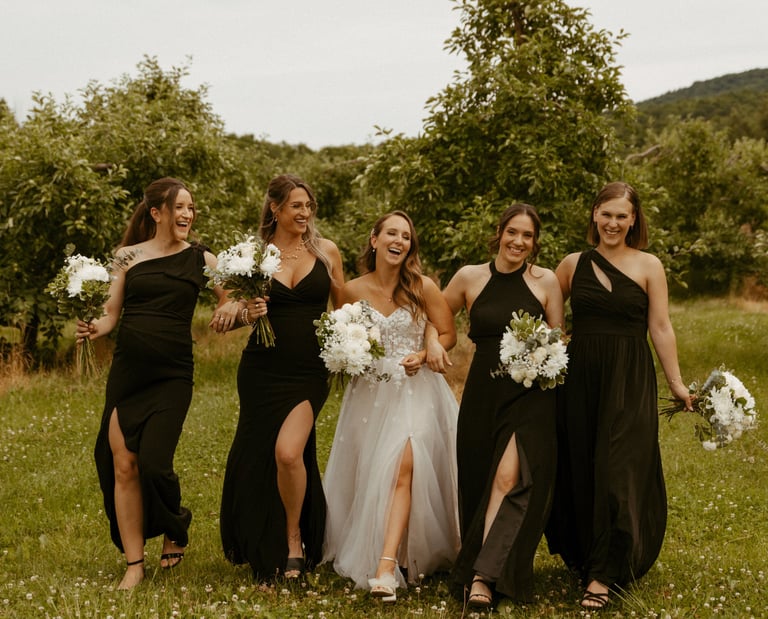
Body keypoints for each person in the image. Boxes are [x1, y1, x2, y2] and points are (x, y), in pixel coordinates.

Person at [76, 177, 238, 590]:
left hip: (172, 375)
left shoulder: (203, 258)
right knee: (124, 465)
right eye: (179, 207)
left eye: (191, 208)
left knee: (153, 463)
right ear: (157, 213)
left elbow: (232, 297)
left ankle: (175, 523)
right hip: (128, 374)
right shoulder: (126, 256)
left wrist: (232, 308)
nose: (187, 214)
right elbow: (112, 313)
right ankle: (134, 564)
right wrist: (96, 326)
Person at [544, 182, 693, 610]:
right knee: (584, 464)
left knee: (619, 466)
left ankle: (604, 574)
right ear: (594, 215)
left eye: (621, 216)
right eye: (606, 214)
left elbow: (661, 328)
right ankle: (588, 554)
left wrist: (677, 383)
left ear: (633, 220)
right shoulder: (572, 264)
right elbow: (543, 310)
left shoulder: (649, 266)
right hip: (580, 376)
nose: (613, 223)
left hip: (629, 376)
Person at [322, 210, 460, 603]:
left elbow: (448, 331)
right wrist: (348, 356)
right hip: (370, 394)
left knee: (404, 464)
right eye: (391, 234)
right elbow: (338, 338)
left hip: (417, 389)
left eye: (406, 236)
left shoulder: (423, 287)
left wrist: (427, 347)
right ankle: (393, 545)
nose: (399, 241)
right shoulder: (350, 291)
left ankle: (385, 567)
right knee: (375, 470)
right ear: (374, 240)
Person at [436, 203, 564, 608]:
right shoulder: (469, 277)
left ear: (534, 242)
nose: (519, 242)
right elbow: (435, 317)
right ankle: (480, 560)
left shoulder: (546, 282)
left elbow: (559, 339)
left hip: (531, 396)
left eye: (527, 236)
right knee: (480, 479)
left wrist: (546, 355)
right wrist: (430, 346)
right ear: (499, 232)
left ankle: (483, 578)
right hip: (482, 394)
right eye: (513, 233)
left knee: (509, 478)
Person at [218, 174, 344, 581]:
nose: (305, 213)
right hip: (261, 370)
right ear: (275, 208)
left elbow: (344, 307)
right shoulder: (253, 256)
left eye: (308, 206)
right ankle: (259, 536)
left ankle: (293, 539)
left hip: (310, 369)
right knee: (259, 454)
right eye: (296, 206)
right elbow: (226, 315)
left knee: (290, 453)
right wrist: (243, 314)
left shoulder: (326, 252)